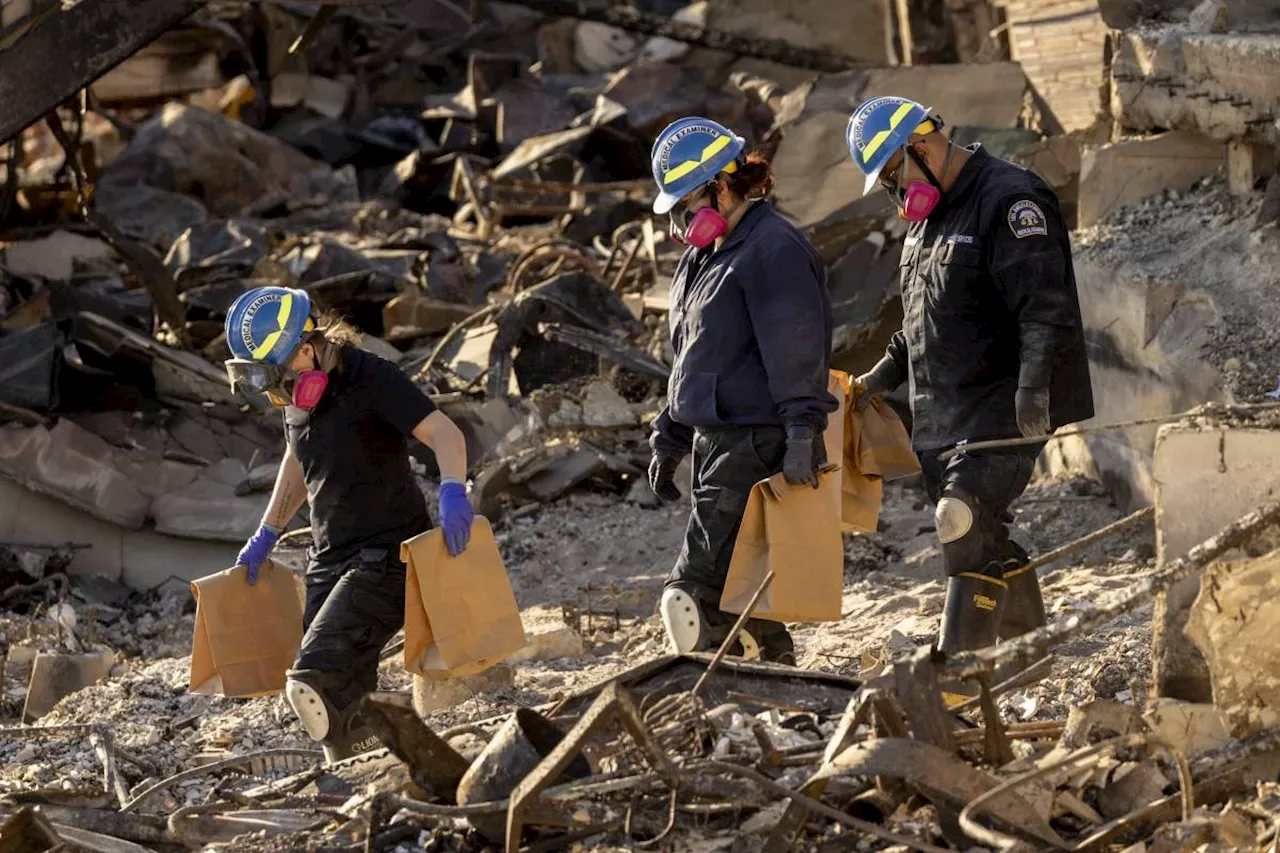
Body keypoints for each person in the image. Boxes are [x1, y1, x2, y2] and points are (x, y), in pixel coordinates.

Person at [844, 97, 1094, 678]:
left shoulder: (1010, 199)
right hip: (943, 410)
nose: (893, 190)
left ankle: (964, 671)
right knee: (983, 535)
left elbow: (1045, 308)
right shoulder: (925, 219)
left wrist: (1033, 388)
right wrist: (882, 375)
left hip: (1003, 401)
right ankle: (1027, 653)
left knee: (961, 519)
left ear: (923, 146)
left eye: (893, 173)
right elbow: (920, 321)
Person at [223, 286, 474, 762]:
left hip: (388, 555)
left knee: (311, 679)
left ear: (306, 346)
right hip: (329, 557)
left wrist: (453, 490)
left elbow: (444, 432)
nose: (278, 391)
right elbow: (298, 461)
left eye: (279, 376)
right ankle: (371, 770)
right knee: (342, 706)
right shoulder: (294, 393)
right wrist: (266, 533)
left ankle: (404, 746)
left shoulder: (372, 377)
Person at [646, 116, 838, 665]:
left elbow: (797, 350)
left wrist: (802, 432)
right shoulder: (700, 259)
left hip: (756, 440)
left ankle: (706, 699)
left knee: (693, 593)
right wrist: (671, 434)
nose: (683, 218)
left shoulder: (774, 251)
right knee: (739, 592)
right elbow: (692, 356)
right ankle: (775, 685)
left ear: (724, 186)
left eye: (688, 201)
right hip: (715, 440)